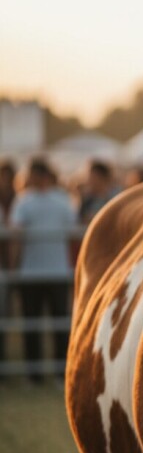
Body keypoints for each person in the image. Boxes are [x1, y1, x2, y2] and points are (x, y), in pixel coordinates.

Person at [9, 158, 76, 383]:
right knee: (54, 323)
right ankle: (57, 372)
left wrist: (13, 267)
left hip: (34, 272)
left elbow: (15, 237)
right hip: (56, 271)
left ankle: (36, 374)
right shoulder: (63, 199)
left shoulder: (24, 201)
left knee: (35, 324)